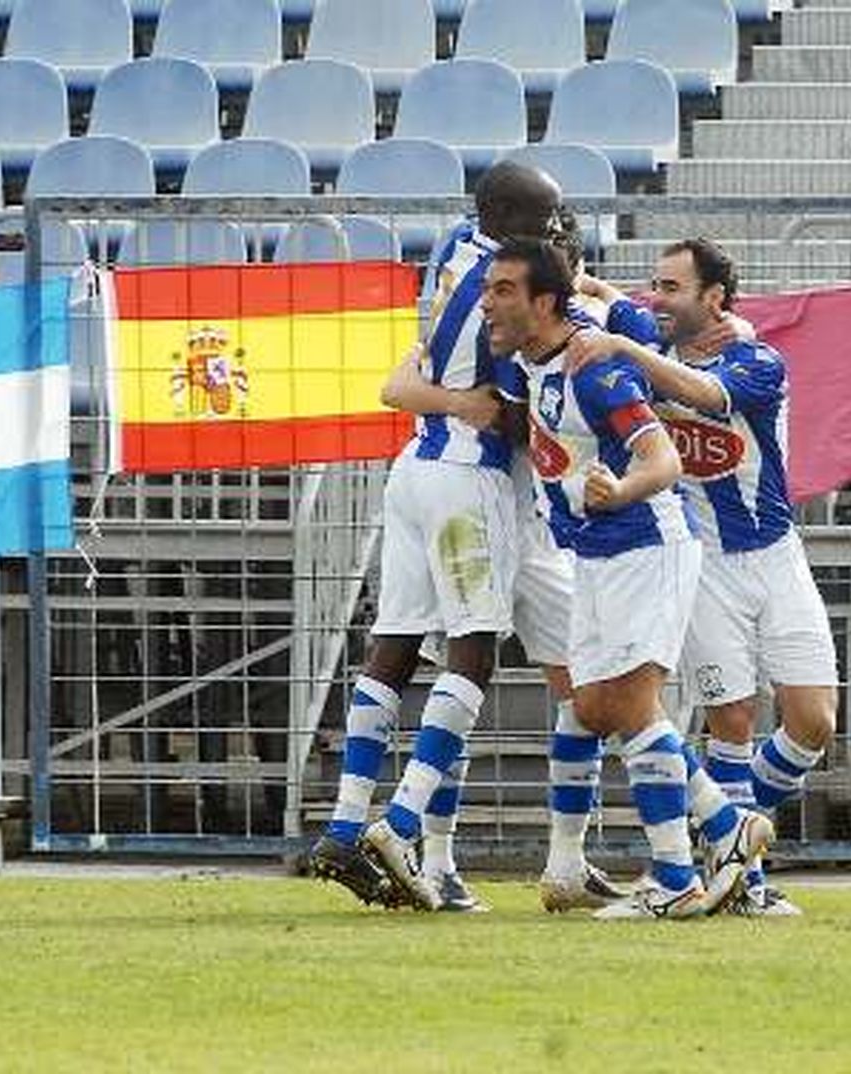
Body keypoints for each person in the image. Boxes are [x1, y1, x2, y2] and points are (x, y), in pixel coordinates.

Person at [484, 237, 770, 919]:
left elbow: (664, 459)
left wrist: (622, 490)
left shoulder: (593, 371)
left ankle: (675, 879)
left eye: (502, 292)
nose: (488, 304)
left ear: (543, 303)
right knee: (591, 707)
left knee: (633, 708)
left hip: (646, 546)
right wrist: (601, 289)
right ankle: (727, 828)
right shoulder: (542, 360)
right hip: (595, 554)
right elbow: (632, 315)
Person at [309, 161, 561, 912]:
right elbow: (519, 401)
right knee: (473, 652)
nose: (551, 232)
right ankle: (402, 822)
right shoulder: (509, 295)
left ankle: (346, 825)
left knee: (392, 648)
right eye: (542, 221)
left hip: (413, 465)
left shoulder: (456, 246)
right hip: (467, 478)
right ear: (510, 222)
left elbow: (408, 373)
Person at [567, 238, 837, 915]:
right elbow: (603, 299)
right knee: (733, 719)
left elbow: (708, 394)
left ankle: (722, 824)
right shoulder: (652, 331)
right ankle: (744, 880)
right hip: (703, 562)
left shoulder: (757, 359)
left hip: (776, 554)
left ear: (714, 297)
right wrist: (589, 285)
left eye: (671, 288)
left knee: (814, 720)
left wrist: (625, 350)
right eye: (653, 286)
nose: (655, 299)